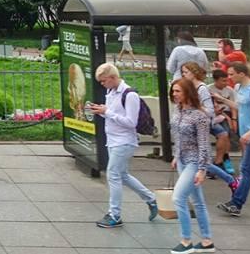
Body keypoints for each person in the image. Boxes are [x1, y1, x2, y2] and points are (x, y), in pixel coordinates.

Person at [88, 62, 158, 228]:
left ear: (113, 77)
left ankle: (115, 215)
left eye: (104, 81)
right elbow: (115, 115)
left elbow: (130, 122)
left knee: (113, 175)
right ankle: (151, 199)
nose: (102, 84)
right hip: (114, 140)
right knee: (123, 175)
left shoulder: (130, 95)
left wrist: (107, 112)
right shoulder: (111, 91)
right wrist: (103, 111)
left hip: (124, 141)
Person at [169, 77, 215, 254]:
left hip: (194, 161)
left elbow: (204, 143)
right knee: (198, 201)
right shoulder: (177, 110)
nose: (175, 94)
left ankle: (186, 240)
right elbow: (177, 136)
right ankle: (206, 240)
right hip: (181, 159)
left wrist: (202, 169)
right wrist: (175, 156)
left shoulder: (200, 116)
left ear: (188, 92)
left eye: (178, 91)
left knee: (178, 198)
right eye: (173, 91)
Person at [214, 62, 250, 217]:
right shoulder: (239, 88)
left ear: (242, 74)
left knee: (246, 169)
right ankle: (236, 204)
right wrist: (222, 99)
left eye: (232, 74)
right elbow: (242, 106)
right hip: (249, 135)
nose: (229, 77)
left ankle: (236, 204)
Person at [181, 62, 237, 190]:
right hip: (193, 124)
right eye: (183, 72)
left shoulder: (202, 88)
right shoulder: (188, 87)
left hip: (202, 124)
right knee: (197, 158)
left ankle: (223, 170)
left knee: (198, 158)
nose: (183, 75)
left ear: (194, 73)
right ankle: (226, 176)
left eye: (186, 72)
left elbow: (209, 111)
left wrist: (193, 110)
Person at [207, 69, 237, 175]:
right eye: (223, 81)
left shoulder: (229, 90)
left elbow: (233, 106)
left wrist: (233, 119)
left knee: (227, 133)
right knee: (224, 133)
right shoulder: (209, 89)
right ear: (216, 80)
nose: (226, 83)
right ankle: (224, 158)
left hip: (226, 114)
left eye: (226, 80)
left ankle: (225, 158)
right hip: (215, 115)